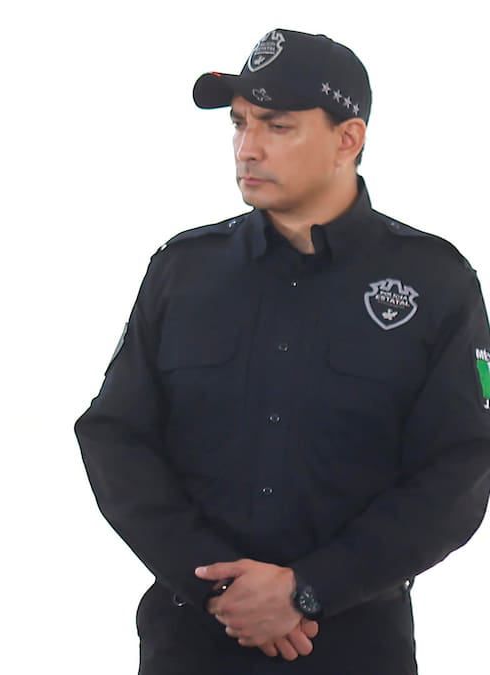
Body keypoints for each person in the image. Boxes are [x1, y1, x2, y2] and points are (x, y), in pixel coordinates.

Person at [75, 28, 490, 674]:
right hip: (192, 642)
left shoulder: (435, 283)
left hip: (355, 647)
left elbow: (460, 468)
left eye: (277, 125)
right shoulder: (183, 271)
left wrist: (309, 587)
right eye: (239, 123)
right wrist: (219, 585)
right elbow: (115, 437)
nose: (248, 147)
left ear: (347, 139)